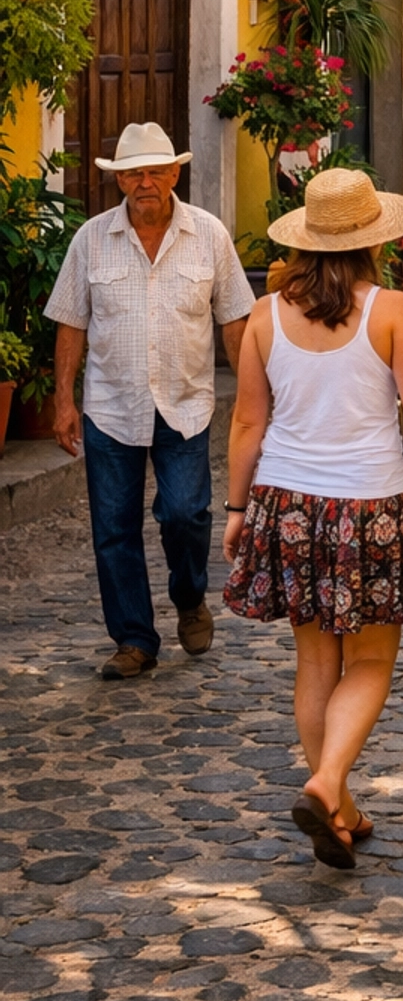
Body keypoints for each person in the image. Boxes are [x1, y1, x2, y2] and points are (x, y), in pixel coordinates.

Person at [222, 169, 403, 869]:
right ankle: (325, 784)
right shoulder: (391, 310)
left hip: (286, 504)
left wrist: (236, 509)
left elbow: (246, 420)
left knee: (315, 658)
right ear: (374, 238)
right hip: (370, 505)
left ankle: (342, 805)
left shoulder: (266, 315)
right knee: (372, 659)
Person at [46, 122, 252, 681]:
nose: (145, 183)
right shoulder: (91, 239)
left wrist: (258, 398)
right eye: (133, 173)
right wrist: (63, 401)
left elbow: (235, 321)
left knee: (186, 514)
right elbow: (70, 324)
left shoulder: (209, 235)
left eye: (155, 171)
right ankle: (134, 638)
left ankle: (189, 597)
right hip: (111, 408)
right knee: (113, 529)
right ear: (118, 181)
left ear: (175, 173)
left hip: (185, 405)